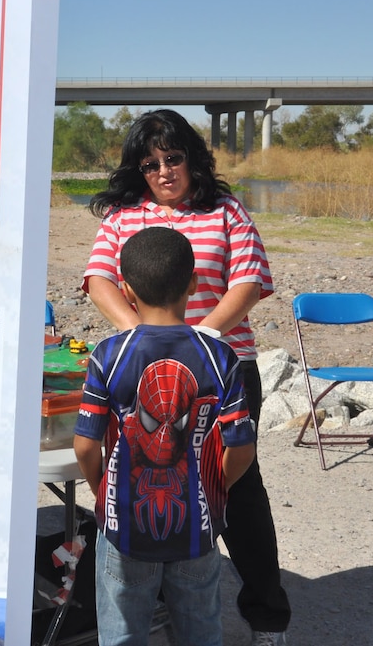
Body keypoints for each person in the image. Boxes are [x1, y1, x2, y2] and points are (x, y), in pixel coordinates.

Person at [82, 109, 291, 646]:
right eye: (150, 163)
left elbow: (249, 282)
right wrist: (142, 338)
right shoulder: (124, 216)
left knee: (235, 488)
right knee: (145, 477)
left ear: (193, 160)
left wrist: (202, 339)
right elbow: (98, 278)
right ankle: (155, 606)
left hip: (224, 365)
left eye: (173, 158)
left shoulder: (226, 211)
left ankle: (266, 616)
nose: (164, 171)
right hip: (143, 371)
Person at [73, 226, 257, 646]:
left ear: (126, 289)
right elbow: (241, 449)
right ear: (194, 282)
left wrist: (105, 490)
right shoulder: (220, 356)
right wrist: (214, 489)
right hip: (198, 528)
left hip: (124, 529)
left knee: (122, 634)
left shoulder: (108, 354)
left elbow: (85, 444)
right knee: (200, 632)